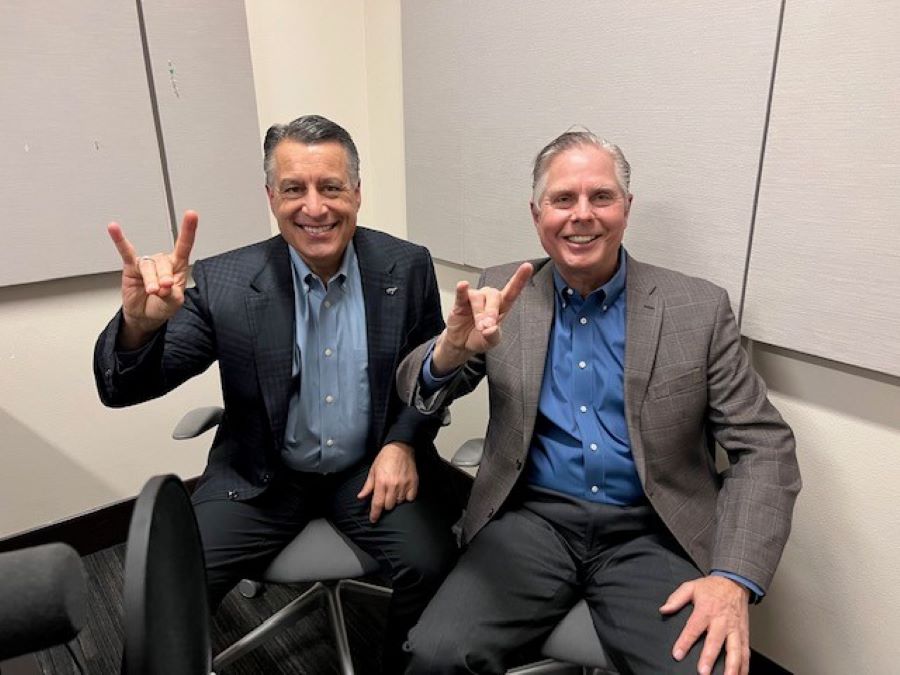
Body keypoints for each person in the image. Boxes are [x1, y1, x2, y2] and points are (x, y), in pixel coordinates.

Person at [396, 130, 801, 675]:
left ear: (626, 209)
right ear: (537, 214)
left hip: (651, 532)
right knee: (435, 656)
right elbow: (416, 386)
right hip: (531, 522)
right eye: (563, 199)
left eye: (601, 197)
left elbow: (764, 448)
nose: (581, 215)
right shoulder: (503, 293)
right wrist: (449, 350)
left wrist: (732, 577)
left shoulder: (696, 309)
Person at [94, 114, 460, 672]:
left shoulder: (404, 266)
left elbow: (429, 375)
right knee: (167, 583)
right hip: (260, 475)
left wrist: (404, 442)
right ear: (271, 196)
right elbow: (122, 387)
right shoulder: (227, 280)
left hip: (368, 471)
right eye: (294, 189)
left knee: (432, 562)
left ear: (357, 193)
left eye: (331, 187)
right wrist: (140, 327)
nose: (314, 208)